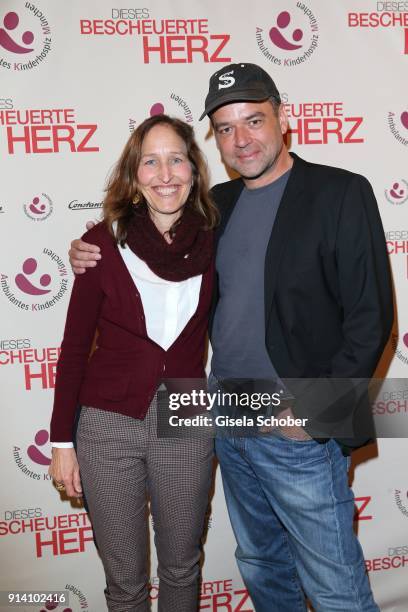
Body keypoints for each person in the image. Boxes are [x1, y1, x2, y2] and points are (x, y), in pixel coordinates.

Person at [69, 63, 393, 611]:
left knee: (333, 581)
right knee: (262, 565)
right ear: (214, 139)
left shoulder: (340, 191)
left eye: (254, 120)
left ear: (283, 118)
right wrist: (91, 249)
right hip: (227, 413)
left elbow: (372, 314)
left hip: (299, 426)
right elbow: (151, 238)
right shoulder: (217, 206)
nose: (241, 139)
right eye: (224, 127)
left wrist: (318, 414)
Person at [49, 113, 219, 612]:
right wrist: (63, 442)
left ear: (193, 170)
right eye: (151, 161)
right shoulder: (101, 243)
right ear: (134, 174)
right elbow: (74, 348)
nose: (165, 174)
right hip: (106, 427)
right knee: (125, 581)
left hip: (187, 414)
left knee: (182, 567)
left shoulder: (217, 239)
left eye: (176, 160)